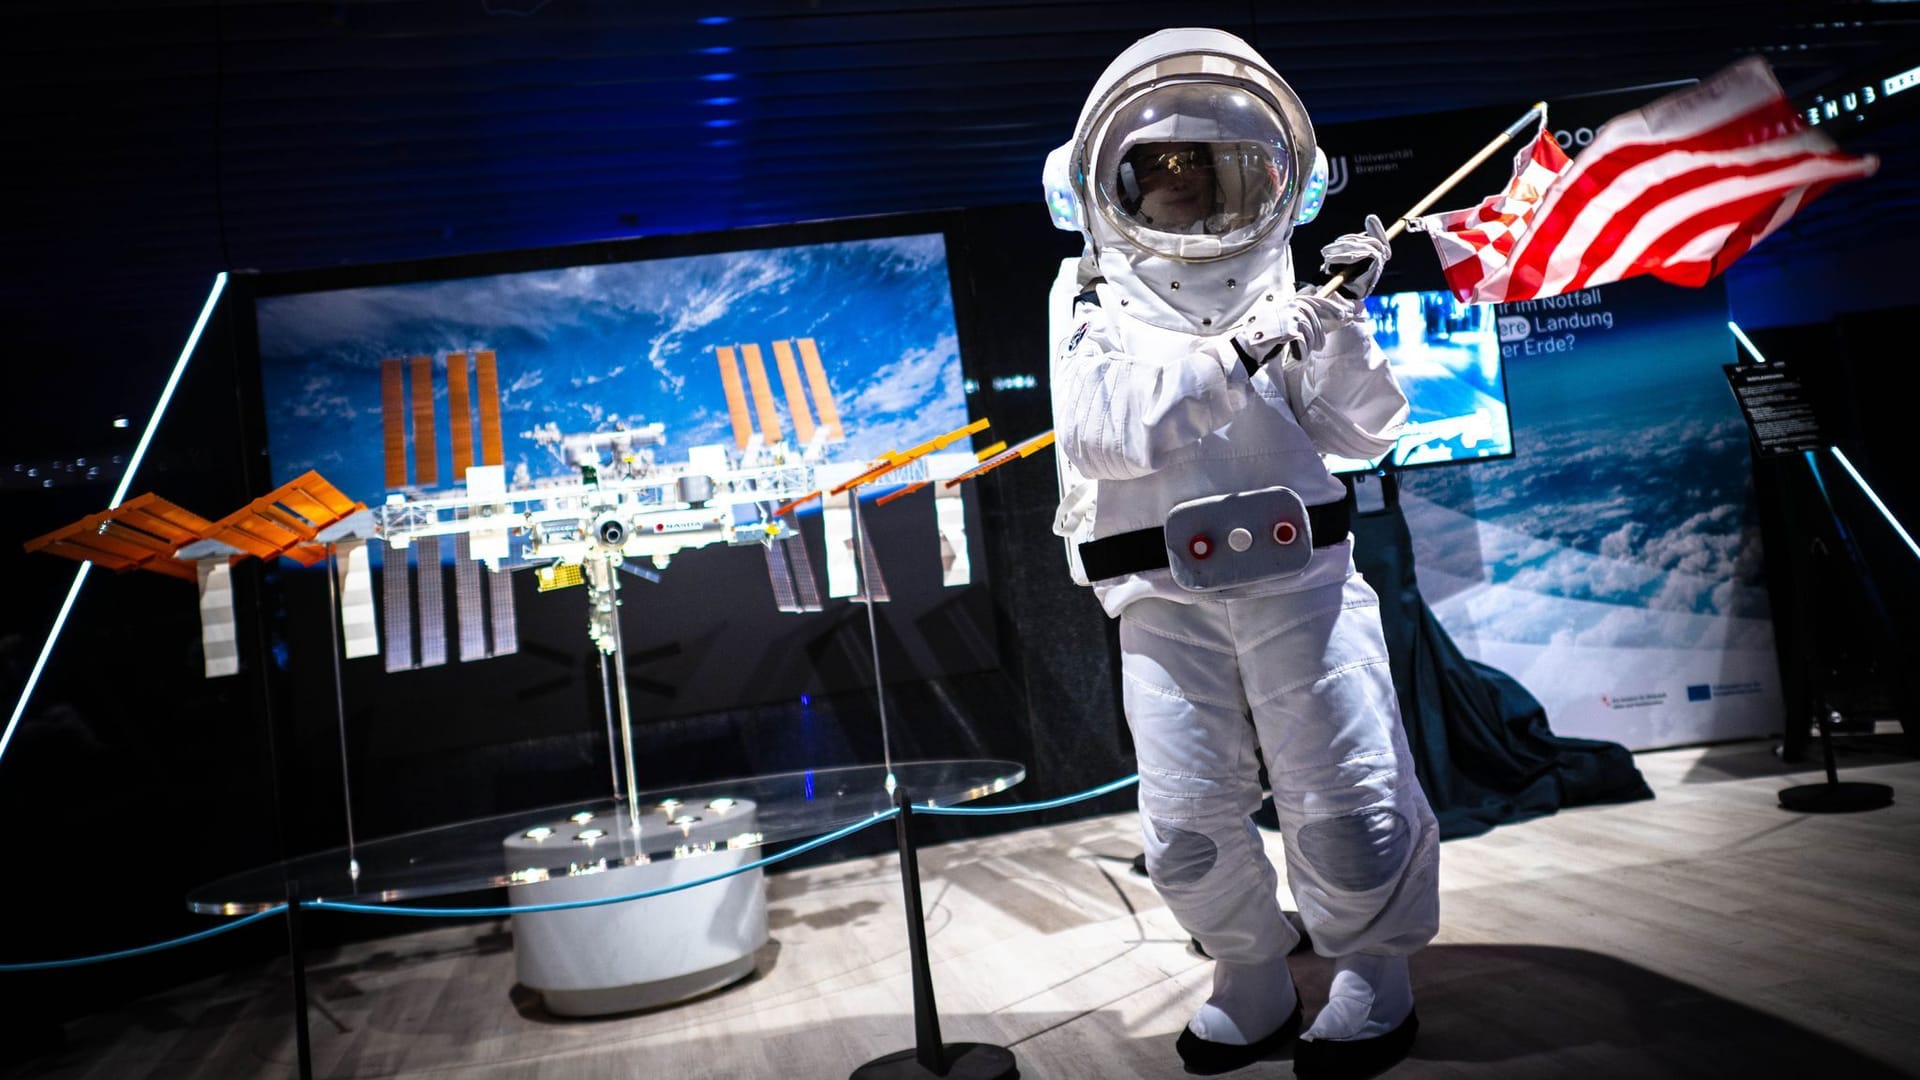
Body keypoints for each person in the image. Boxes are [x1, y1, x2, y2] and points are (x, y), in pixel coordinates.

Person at [1043, 27, 1440, 1078]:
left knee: (1349, 796)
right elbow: (1102, 434)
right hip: (1162, 603)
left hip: (1302, 584)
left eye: (1216, 168)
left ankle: (1371, 971)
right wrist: (1236, 356)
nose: (1187, 191)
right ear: (1101, 182)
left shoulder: (1287, 291)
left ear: (1278, 180)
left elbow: (1363, 432)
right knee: (1184, 822)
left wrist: (1342, 327)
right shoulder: (1089, 299)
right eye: (1161, 170)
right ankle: (1249, 971)